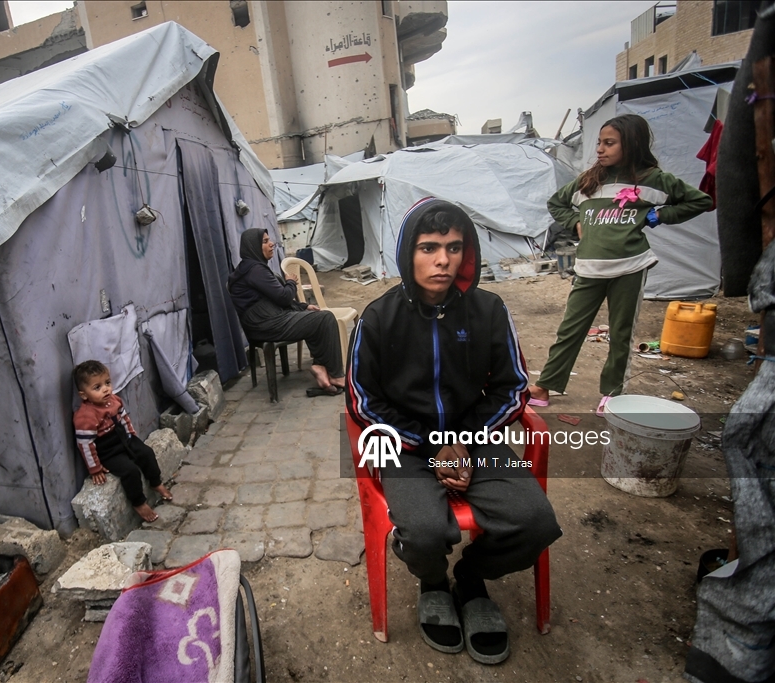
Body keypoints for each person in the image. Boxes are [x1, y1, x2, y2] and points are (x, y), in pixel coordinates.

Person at [346, 198, 561, 664]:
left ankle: (469, 578)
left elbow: (512, 388)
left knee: (536, 523)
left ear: (468, 253)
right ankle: (433, 581)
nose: (443, 260)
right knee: (422, 533)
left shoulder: (489, 310)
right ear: (408, 253)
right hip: (404, 446)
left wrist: (463, 441)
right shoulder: (377, 319)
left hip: (476, 441)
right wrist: (431, 445)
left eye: (454, 247)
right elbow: (363, 400)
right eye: (428, 248)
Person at [529, 114, 712, 415]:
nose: (600, 149)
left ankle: (612, 394)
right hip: (588, 268)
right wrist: (575, 221)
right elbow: (556, 203)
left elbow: (700, 201)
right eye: (600, 142)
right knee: (570, 330)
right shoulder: (589, 181)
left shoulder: (653, 179)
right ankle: (545, 386)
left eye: (609, 143)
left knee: (620, 333)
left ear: (632, 144)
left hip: (630, 266)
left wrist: (659, 216)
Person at [228, 227, 345, 394]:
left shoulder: (251, 268)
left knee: (317, 317)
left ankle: (321, 368)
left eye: (269, 240)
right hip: (266, 324)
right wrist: (291, 282)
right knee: (325, 319)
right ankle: (334, 374)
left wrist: (304, 306)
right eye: (265, 241)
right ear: (253, 246)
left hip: (266, 320)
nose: (271, 244)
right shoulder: (255, 270)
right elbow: (283, 297)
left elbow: (273, 299)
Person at [72, 360, 171, 523]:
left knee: (146, 453)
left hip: (123, 438)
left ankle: (155, 482)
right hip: (107, 450)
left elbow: (123, 417)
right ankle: (139, 502)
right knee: (130, 471)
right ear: (83, 394)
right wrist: (95, 469)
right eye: (97, 387)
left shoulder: (114, 400)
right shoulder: (85, 416)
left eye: (107, 383)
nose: (105, 389)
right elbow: (85, 444)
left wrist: (131, 434)